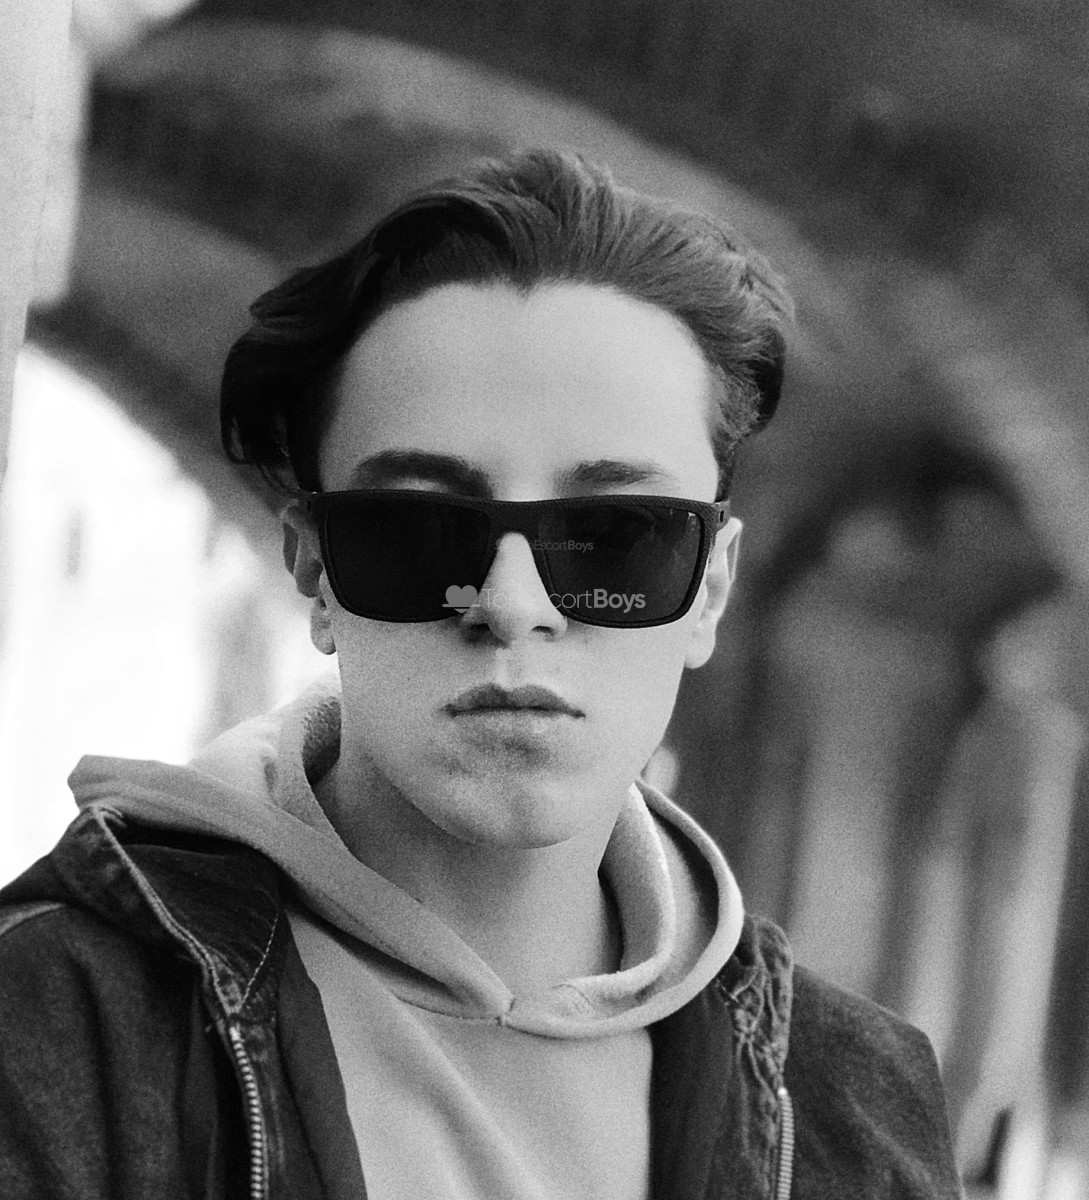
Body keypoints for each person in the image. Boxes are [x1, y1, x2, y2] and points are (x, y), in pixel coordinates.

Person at [0, 150, 961, 1198]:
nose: (512, 604)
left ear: (711, 589)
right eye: (420, 529)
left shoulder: (854, 1100)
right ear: (317, 573)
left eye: (612, 536)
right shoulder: (58, 1021)